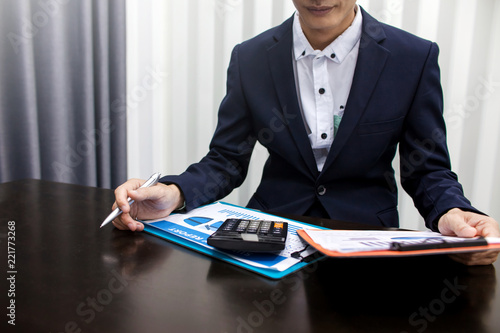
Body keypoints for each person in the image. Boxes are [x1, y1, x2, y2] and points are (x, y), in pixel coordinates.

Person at [111, 0, 500, 265]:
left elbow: (427, 169)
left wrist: (455, 212)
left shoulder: (413, 58)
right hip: (265, 238)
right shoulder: (250, 57)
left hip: (364, 241)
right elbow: (226, 159)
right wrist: (174, 194)